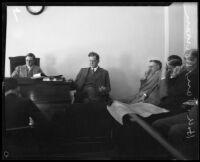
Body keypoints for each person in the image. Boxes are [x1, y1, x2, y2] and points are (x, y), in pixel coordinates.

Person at [151, 49, 199, 159]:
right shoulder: (184, 73)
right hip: (190, 110)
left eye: (191, 59)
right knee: (157, 124)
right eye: (185, 59)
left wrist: (190, 103)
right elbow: (172, 92)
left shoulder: (196, 75)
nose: (187, 62)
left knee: (175, 130)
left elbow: (192, 97)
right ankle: (162, 155)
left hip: (188, 109)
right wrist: (173, 77)